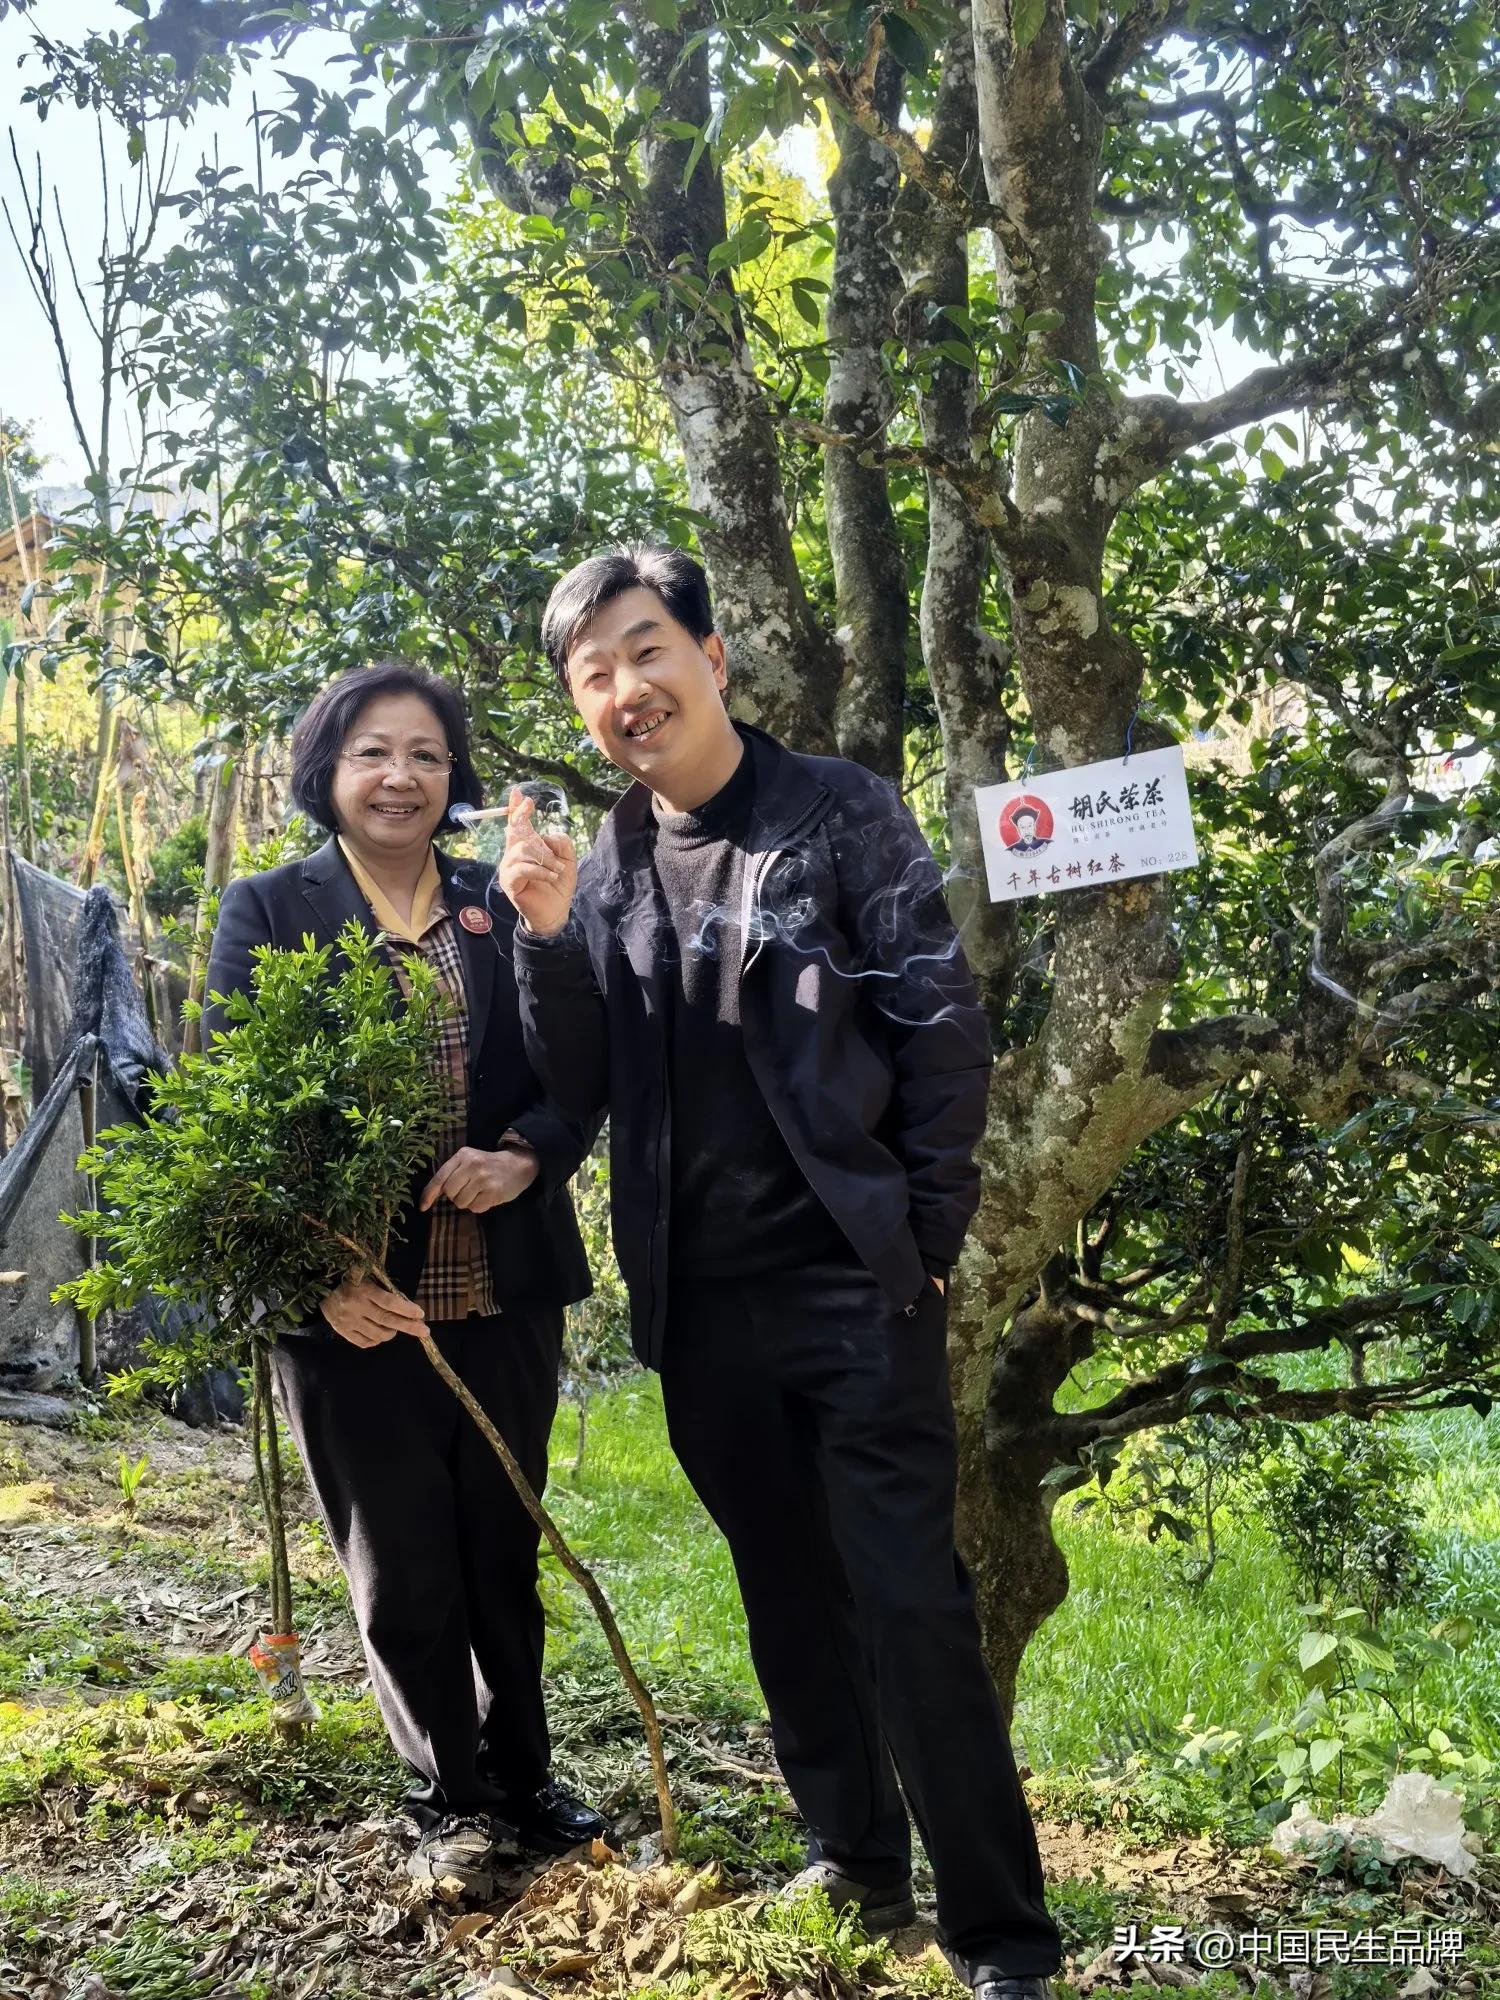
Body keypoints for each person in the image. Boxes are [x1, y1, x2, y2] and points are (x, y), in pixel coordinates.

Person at [499, 549, 1062, 2000]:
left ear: (713, 652)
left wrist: (924, 1237)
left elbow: (941, 1032)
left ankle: (1003, 1932)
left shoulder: (838, 813)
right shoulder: (612, 860)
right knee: (781, 1587)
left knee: (909, 1598)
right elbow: (587, 1080)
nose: (628, 690)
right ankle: (857, 1855)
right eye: (593, 674)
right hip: (698, 1299)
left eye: (645, 650)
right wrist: (548, 941)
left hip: (850, 1285)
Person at [204, 661, 606, 1899]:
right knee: (404, 1561)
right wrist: (318, 1277)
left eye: (426, 754)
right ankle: (452, 1798)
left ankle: (526, 1775)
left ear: (456, 778)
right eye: (374, 751)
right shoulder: (271, 908)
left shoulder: (503, 904)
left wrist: (526, 1153)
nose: (401, 775)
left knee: (503, 1540)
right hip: (353, 1311)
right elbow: (233, 1120)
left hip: (497, 1291)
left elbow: (577, 1070)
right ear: (328, 769)